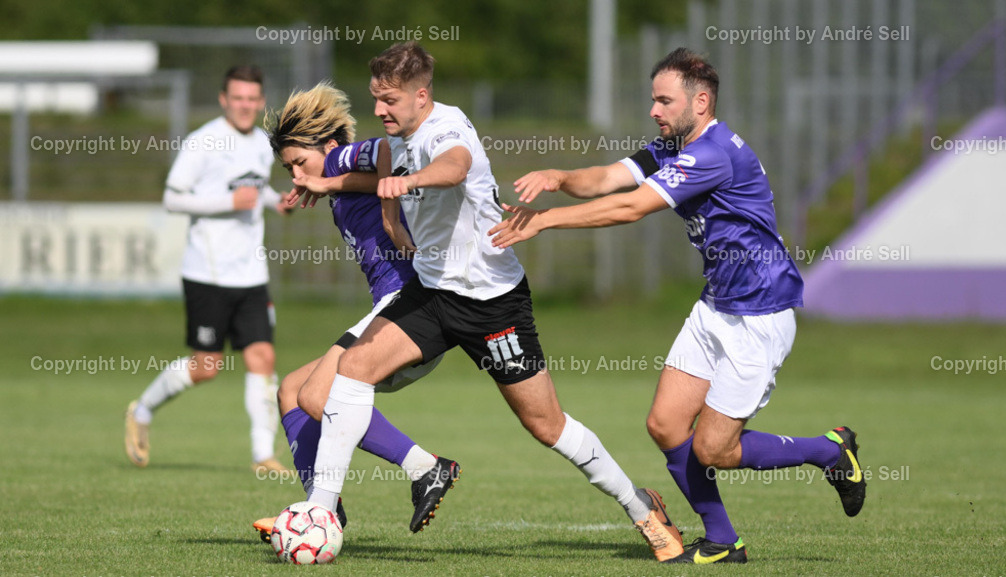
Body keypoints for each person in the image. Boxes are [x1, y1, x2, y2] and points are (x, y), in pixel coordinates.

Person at [292, 41, 684, 564]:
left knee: (547, 426)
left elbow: (454, 167)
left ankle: (641, 508)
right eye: (375, 99)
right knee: (352, 370)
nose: (379, 111)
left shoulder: (445, 130)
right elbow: (383, 169)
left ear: (421, 96)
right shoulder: (401, 133)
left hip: (492, 304)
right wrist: (338, 186)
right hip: (431, 294)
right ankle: (320, 511)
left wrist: (405, 184)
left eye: (389, 101)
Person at [488, 47, 867, 564]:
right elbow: (607, 180)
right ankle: (722, 541)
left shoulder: (712, 154)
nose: (654, 111)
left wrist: (546, 220)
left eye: (664, 101)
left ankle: (828, 450)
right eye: (653, 100)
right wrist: (559, 176)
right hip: (715, 308)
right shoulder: (673, 146)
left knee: (715, 450)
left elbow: (631, 207)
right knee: (666, 425)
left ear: (701, 101)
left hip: (760, 316)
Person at [251, 82, 459, 539]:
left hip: (408, 304)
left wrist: (385, 216)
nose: (296, 175)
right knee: (291, 390)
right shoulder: (339, 183)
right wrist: (325, 184)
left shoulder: (343, 158)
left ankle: (425, 467)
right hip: (396, 311)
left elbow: (387, 152)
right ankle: (318, 510)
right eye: (289, 169)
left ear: (327, 146)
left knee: (315, 395)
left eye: (298, 163)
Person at [124, 65, 292, 475]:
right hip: (208, 274)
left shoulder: (260, 143)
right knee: (207, 367)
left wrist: (276, 201)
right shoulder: (203, 141)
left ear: (261, 101)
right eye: (238, 98)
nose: (245, 106)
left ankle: (262, 456)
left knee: (262, 358)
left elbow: (255, 187)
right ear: (224, 99)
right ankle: (142, 409)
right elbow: (172, 198)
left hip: (252, 275)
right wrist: (226, 203)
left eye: (253, 99)